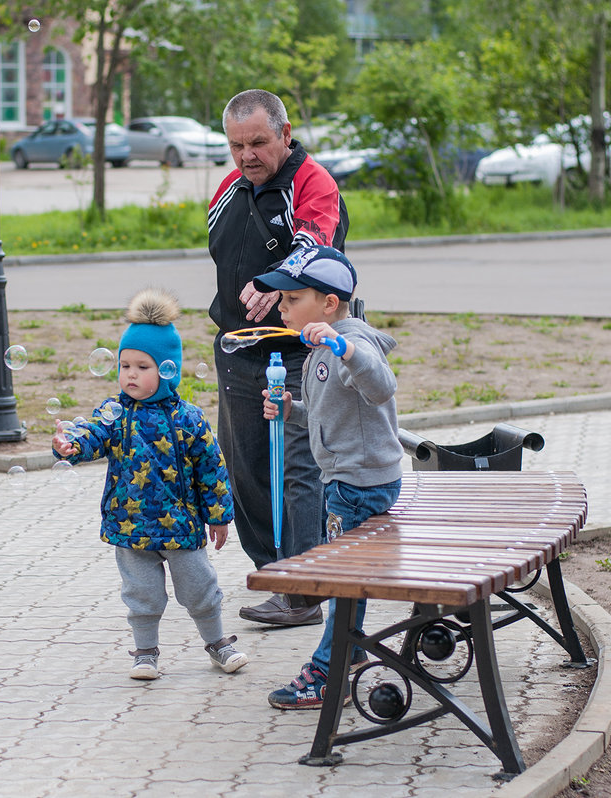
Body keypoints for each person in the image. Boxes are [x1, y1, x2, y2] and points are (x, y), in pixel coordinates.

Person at [52, 288, 247, 681]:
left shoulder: (189, 418)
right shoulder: (114, 413)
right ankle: (145, 653)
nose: (130, 375)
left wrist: (219, 517)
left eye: (142, 367)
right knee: (141, 594)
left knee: (199, 589)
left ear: (167, 370)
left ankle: (217, 643)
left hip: (181, 527)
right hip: (130, 527)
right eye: (124, 366)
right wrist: (69, 446)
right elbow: (90, 437)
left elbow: (212, 469)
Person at [208, 88, 349, 626]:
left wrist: (278, 284)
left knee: (298, 468)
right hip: (238, 350)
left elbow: (314, 242)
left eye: (259, 143)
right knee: (244, 470)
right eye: (236, 145)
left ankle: (304, 589)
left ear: (285, 136)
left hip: (299, 353)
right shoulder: (231, 186)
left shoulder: (312, 182)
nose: (247, 156)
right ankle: (274, 572)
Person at [255, 246, 403, 709]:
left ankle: (326, 672)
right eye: (281, 300)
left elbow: (381, 387)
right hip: (345, 481)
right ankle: (351, 653)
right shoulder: (316, 350)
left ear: (329, 304)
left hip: (358, 487)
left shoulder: (352, 341)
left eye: (292, 298)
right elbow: (327, 416)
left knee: (340, 581)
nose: (282, 308)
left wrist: (347, 349)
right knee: (346, 575)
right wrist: (290, 411)